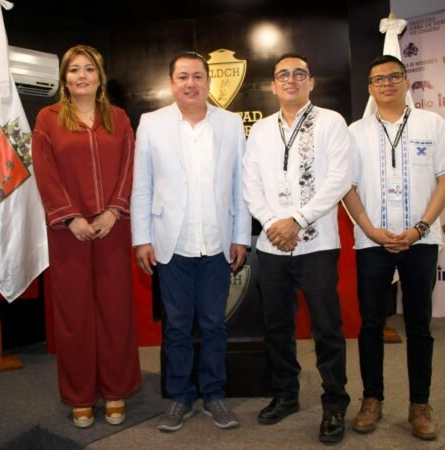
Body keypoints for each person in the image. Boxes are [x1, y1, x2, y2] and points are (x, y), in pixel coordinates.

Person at [131, 51, 251, 432]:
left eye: (198, 76)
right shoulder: (151, 123)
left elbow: (240, 185)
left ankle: (214, 394)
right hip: (172, 245)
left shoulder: (231, 124)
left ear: (208, 81)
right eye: (183, 76)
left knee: (214, 325)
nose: (191, 83)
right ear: (171, 83)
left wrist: (240, 236)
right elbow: (142, 185)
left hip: (217, 244)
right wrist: (141, 239)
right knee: (177, 327)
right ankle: (180, 396)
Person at [242, 53, 351, 444]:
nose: (291, 79)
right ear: (273, 85)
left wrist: (297, 220)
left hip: (317, 244)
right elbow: (250, 183)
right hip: (272, 247)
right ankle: (285, 393)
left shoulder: (331, 122)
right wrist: (274, 223)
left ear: (311, 82)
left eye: (299, 73)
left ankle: (334, 403)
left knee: (327, 328)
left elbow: (339, 179)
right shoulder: (260, 130)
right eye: (283, 75)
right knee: (276, 327)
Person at [32, 45, 141, 428]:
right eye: (74, 69)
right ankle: (80, 395)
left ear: (100, 76)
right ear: (64, 78)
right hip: (69, 233)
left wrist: (114, 211)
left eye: (89, 69)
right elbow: (44, 171)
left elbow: (130, 167)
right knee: (74, 314)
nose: (81, 76)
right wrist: (70, 217)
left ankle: (115, 390)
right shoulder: (47, 119)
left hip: (113, 227)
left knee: (115, 311)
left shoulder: (119, 118)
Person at [343, 54, 445, 441]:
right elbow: (348, 187)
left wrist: (420, 228)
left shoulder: (432, 124)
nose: (386, 84)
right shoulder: (354, 132)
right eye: (378, 79)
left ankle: (419, 404)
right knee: (371, 323)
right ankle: (372, 399)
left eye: (393, 77)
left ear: (405, 81)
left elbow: (444, 180)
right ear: (369, 88)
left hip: (422, 239)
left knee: (419, 324)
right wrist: (370, 229)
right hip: (372, 241)